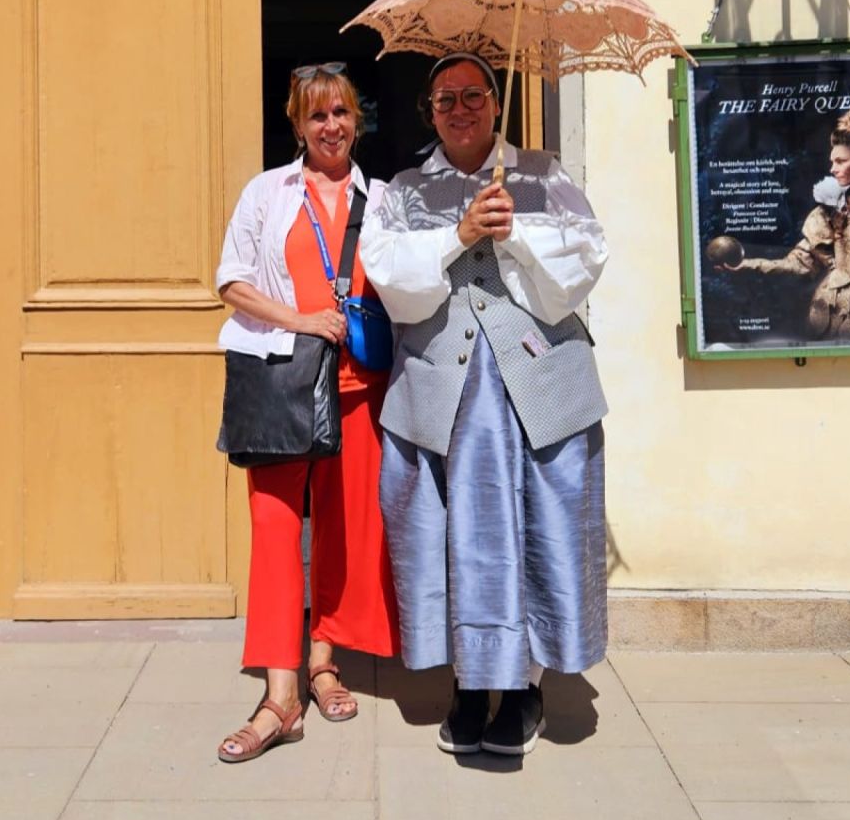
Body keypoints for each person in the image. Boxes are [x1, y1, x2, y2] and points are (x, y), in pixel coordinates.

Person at [361, 53, 609, 757]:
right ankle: (470, 688)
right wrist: (458, 234)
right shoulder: (401, 189)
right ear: (428, 112)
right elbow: (393, 283)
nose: (460, 108)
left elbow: (584, 265)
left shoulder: (543, 174)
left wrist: (518, 235)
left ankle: (525, 688)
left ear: (496, 104)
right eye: (445, 99)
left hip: (536, 390)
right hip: (445, 395)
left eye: (474, 95)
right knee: (455, 542)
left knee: (537, 534)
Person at [213, 63, 400, 763]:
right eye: (317, 115)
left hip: (358, 390)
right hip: (280, 383)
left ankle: (324, 660)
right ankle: (279, 693)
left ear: (358, 120)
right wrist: (300, 318)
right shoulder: (267, 192)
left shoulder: (380, 199)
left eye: (342, 113)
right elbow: (230, 279)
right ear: (298, 125)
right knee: (274, 530)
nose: (331, 126)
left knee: (344, 534)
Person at [716, 104, 850, 338]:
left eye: (841, 161)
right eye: (832, 161)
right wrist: (749, 265)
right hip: (834, 312)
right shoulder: (830, 211)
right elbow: (800, 263)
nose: (832, 168)